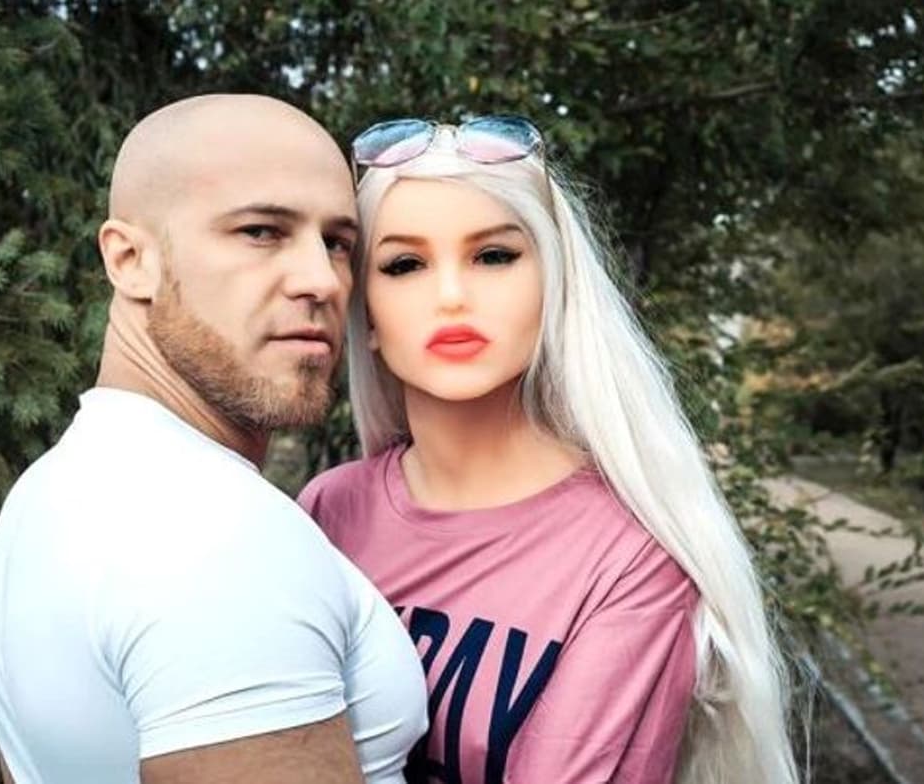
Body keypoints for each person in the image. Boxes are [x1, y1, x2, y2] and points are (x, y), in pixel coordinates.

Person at [298, 116, 798, 784]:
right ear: (367, 316)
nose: (452, 297)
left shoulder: (631, 558)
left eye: (493, 256)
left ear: (554, 286)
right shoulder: (328, 510)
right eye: (405, 265)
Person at [0, 94, 428, 784]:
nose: (322, 281)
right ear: (130, 259)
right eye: (261, 231)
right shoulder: (217, 532)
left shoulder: (46, 496)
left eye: (337, 243)